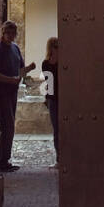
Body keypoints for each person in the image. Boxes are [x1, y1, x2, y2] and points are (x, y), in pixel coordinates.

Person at [0, 20, 35, 173]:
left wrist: (29, 68)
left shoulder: (15, 49)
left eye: (12, 33)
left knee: (10, 127)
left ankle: (5, 160)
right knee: (7, 126)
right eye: (7, 33)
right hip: (2, 92)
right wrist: (11, 80)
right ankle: (2, 162)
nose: (10, 36)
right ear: (3, 33)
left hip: (12, 92)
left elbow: (20, 70)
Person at [42, 36, 59, 167]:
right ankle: (59, 158)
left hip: (63, 98)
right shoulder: (46, 63)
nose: (57, 48)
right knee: (57, 130)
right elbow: (50, 83)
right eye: (55, 46)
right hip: (53, 99)